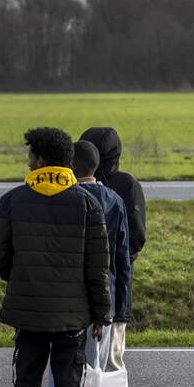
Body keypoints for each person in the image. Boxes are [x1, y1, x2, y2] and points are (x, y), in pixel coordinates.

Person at [0, 127, 111, 387]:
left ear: (39, 159)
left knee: (26, 386)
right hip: (72, 317)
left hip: (28, 315)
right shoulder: (87, 204)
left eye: (30, 155)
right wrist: (101, 314)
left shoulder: (13, 201)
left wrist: (22, 277)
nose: (27, 160)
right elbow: (97, 267)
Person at [79, 127, 147, 359]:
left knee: (74, 366)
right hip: (115, 287)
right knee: (112, 364)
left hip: (77, 292)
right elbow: (136, 237)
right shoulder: (126, 185)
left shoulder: (74, 188)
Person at [72, 140, 131, 371]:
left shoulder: (67, 198)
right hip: (107, 296)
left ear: (71, 166)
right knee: (98, 368)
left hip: (71, 299)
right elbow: (122, 258)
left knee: (67, 369)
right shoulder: (115, 201)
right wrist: (121, 308)